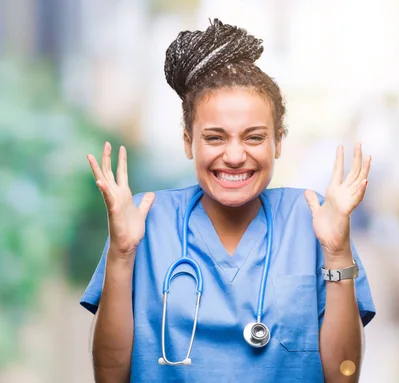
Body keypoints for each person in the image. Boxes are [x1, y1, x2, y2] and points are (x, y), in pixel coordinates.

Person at [80, 19, 375, 383]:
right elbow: (109, 376)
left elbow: (344, 375)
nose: (235, 156)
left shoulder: (314, 218)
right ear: (188, 141)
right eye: (215, 138)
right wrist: (122, 256)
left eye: (253, 137)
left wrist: (336, 253)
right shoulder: (144, 220)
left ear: (278, 142)